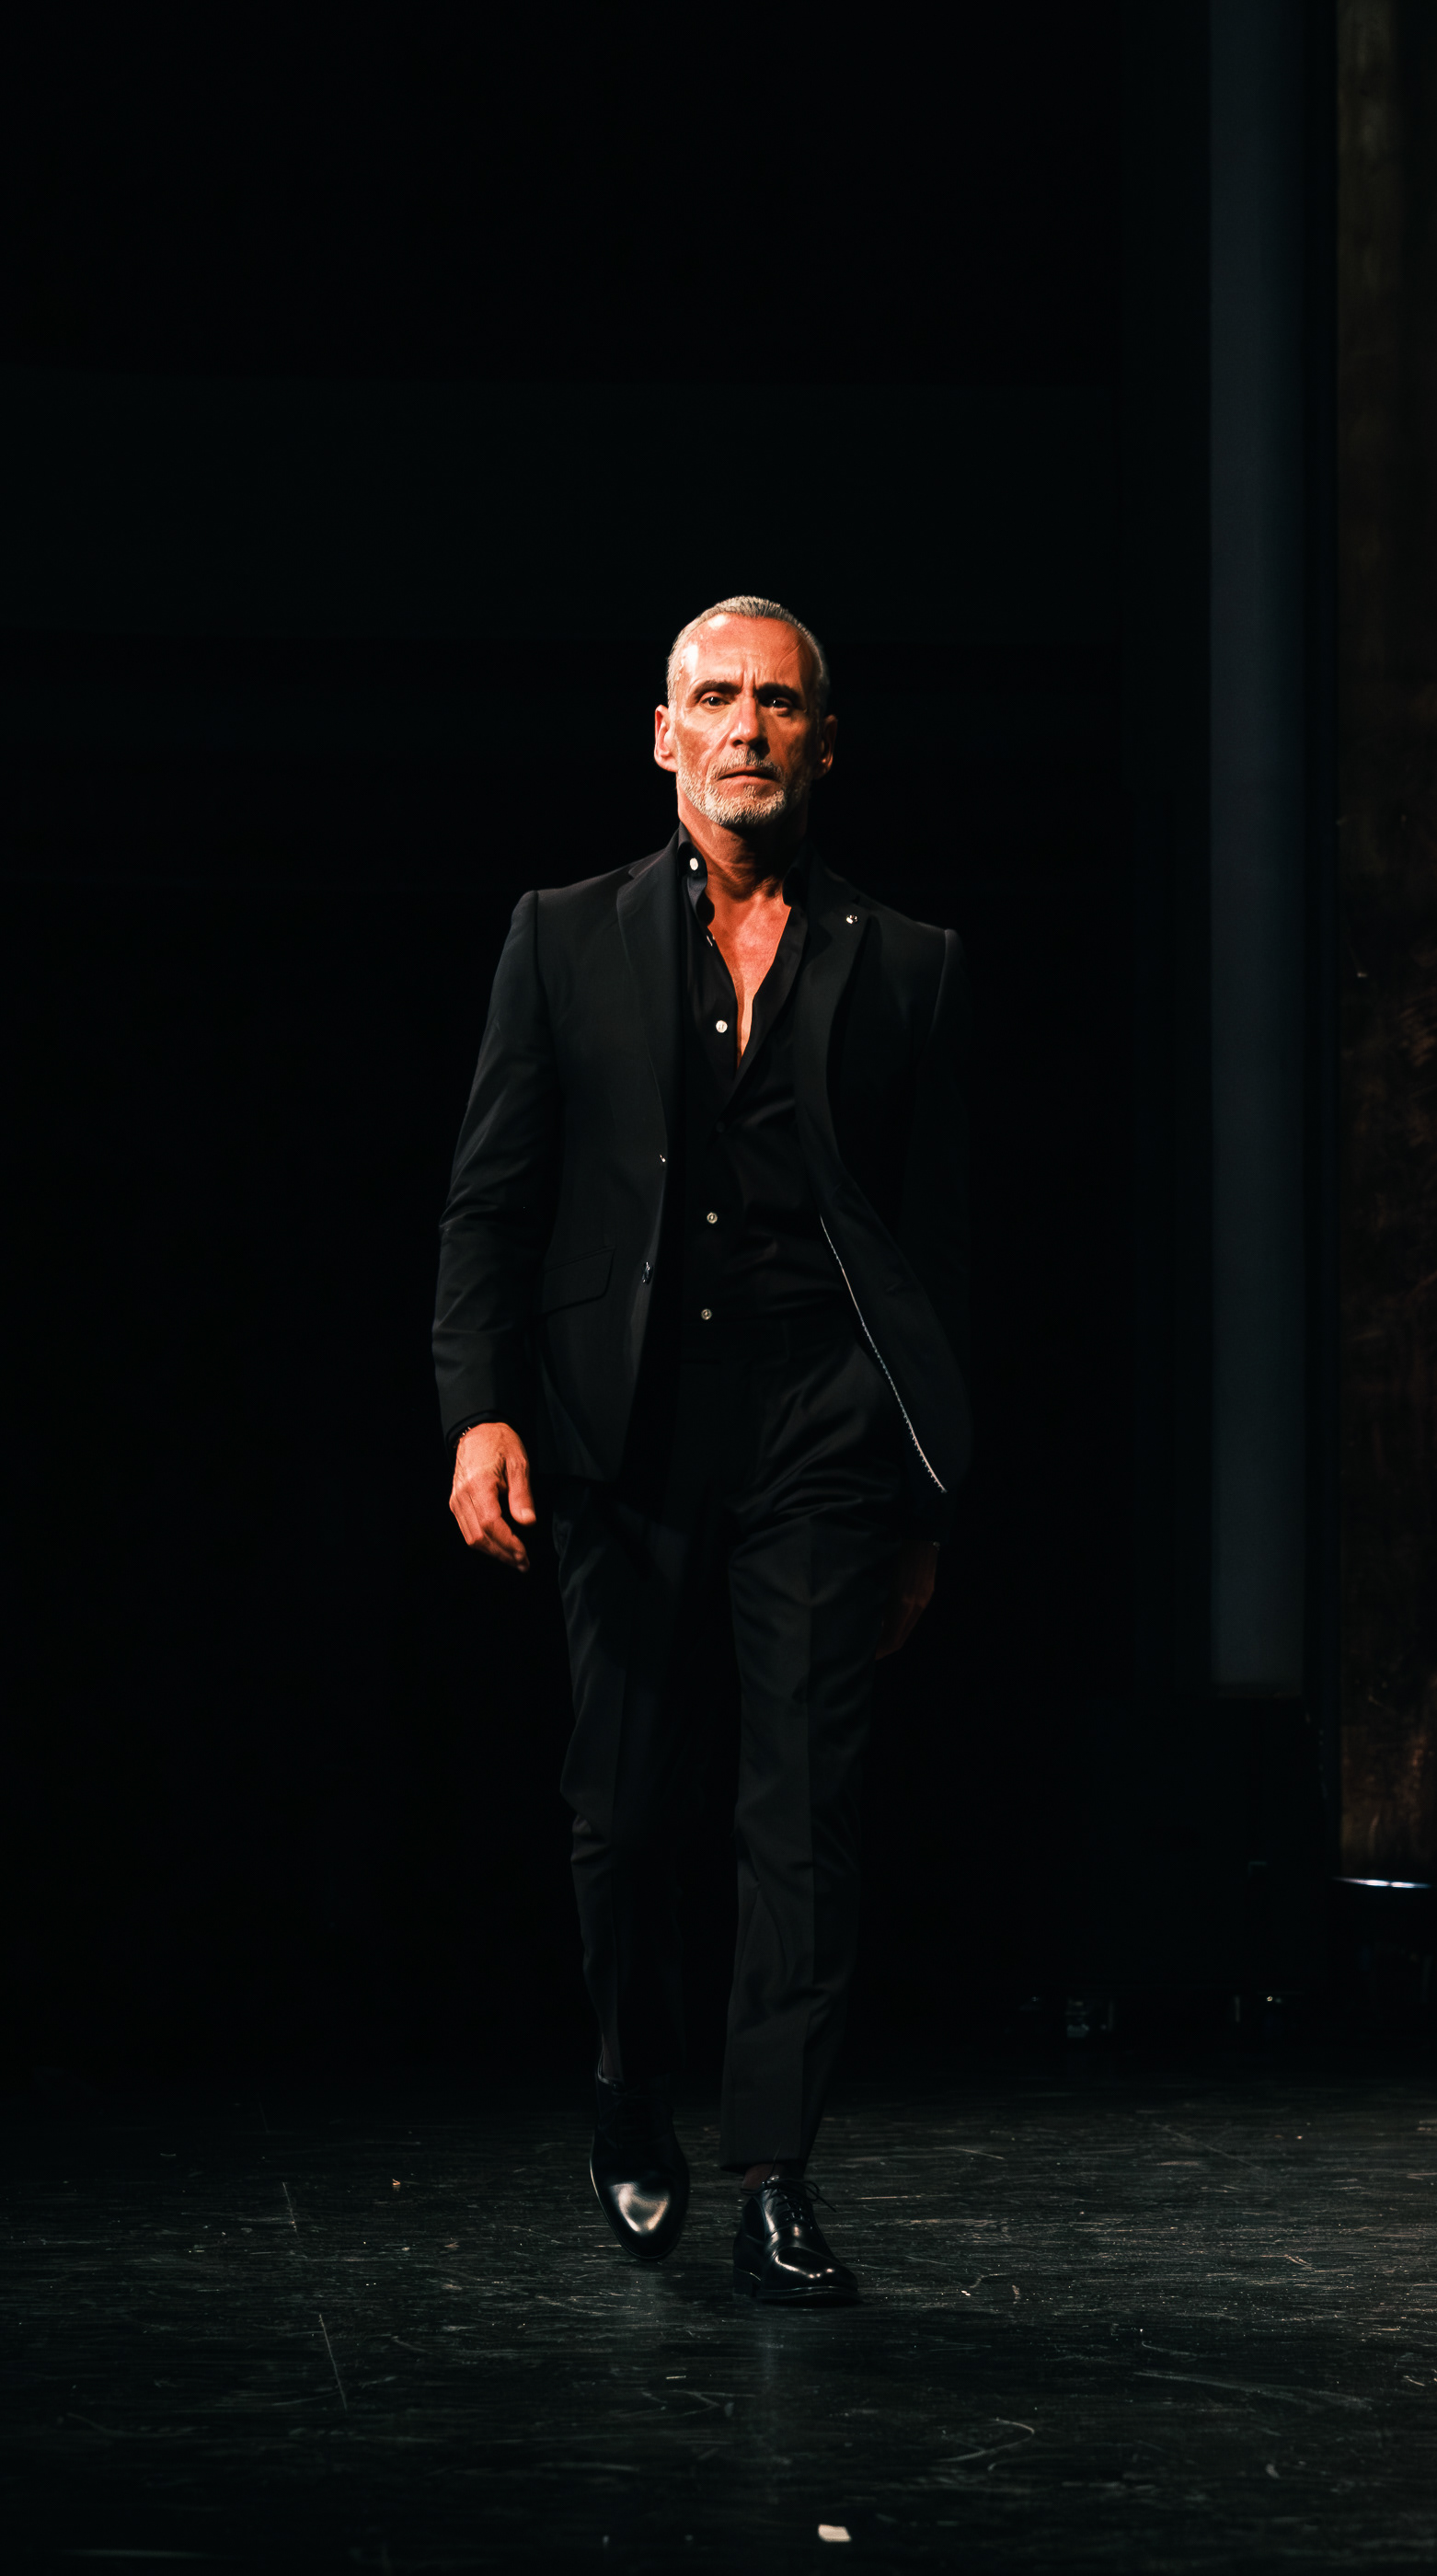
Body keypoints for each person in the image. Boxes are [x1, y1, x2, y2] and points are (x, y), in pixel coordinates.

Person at [432, 597, 971, 2305]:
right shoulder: (562, 937)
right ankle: (625, 2082)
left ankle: (775, 2174)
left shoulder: (907, 961)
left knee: (802, 1811)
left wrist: (922, 1499)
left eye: (779, 703)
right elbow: (491, 1200)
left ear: (825, 743)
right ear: (664, 736)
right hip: (626, 1425)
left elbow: (938, 1250)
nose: (748, 727)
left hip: (824, 1426)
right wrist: (479, 1409)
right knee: (619, 1808)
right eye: (717, 699)